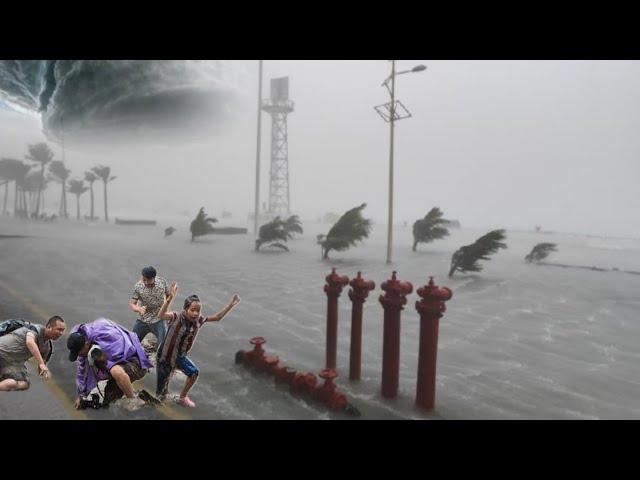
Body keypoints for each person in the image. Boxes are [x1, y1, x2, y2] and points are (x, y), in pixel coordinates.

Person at [156, 283, 240, 407]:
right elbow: (161, 315)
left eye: (198, 311)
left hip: (180, 357)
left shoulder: (199, 321)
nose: (195, 313)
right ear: (186, 309)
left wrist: (230, 305)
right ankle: (159, 402)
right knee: (161, 393)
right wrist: (169, 300)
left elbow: (217, 317)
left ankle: (182, 397)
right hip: (165, 357)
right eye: (192, 310)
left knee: (194, 373)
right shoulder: (176, 317)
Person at [67, 318, 153, 408]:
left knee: (115, 371)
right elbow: (82, 374)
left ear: (86, 344)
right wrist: (81, 395)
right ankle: (142, 397)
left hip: (136, 362)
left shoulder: (106, 335)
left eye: (79, 352)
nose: (79, 355)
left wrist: (103, 360)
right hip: (119, 368)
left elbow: (123, 353)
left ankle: (133, 400)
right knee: (109, 403)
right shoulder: (83, 349)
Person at [0, 316, 66, 391]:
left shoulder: (47, 348)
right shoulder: (35, 329)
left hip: (10, 363)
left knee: (23, 383)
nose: (61, 333)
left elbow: (42, 368)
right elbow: (30, 342)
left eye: (63, 330)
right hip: (2, 352)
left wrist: (45, 372)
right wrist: (41, 363)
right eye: (59, 329)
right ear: (49, 327)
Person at [129, 266, 171, 351]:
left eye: (149, 280)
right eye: (144, 279)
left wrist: (166, 309)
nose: (146, 282)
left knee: (164, 345)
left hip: (159, 318)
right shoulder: (138, 286)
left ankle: (159, 359)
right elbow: (132, 304)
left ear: (154, 278)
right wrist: (139, 309)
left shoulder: (162, 283)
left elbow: (168, 295)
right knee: (132, 341)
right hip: (144, 318)